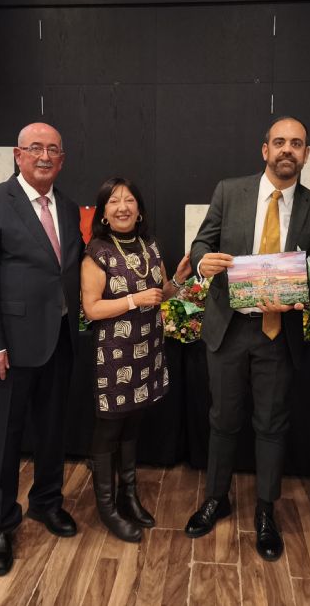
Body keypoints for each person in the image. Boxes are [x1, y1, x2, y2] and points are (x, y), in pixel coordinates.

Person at [184, 116, 310, 561]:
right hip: (229, 329)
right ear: (265, 149)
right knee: (223, 419)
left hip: (278, 334)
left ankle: (266, 510)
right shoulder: (230, 191)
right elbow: (201, 245)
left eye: (297, 144)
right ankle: (216, 498)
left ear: (306, 155)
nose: (288, 149)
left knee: (271, 424)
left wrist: (305, 292)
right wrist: (203, 261)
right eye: (279, 142)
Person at [0, 122, 83, 576]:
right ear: (18, 155)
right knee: (3, 439)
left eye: (53, 149)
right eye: (35, 148)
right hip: (9, 349)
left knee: (52, 432)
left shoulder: (67, 207)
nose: (44, 156)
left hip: (60, 340)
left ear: (62, 159)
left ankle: (46, 503)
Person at [81, 177, 192, 542]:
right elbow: (91, 308)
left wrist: (179, 279)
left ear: (139, 209)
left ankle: (128, 495)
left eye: (129, 200)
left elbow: (161, 294)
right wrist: (134, 300)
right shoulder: (96, 252)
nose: (122, 207)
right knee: (109, 429)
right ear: (104, 212)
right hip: (114, 354)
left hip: (147, 350)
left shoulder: (150, 245)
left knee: (133, 424)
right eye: (114, 201)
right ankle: (107, 508)